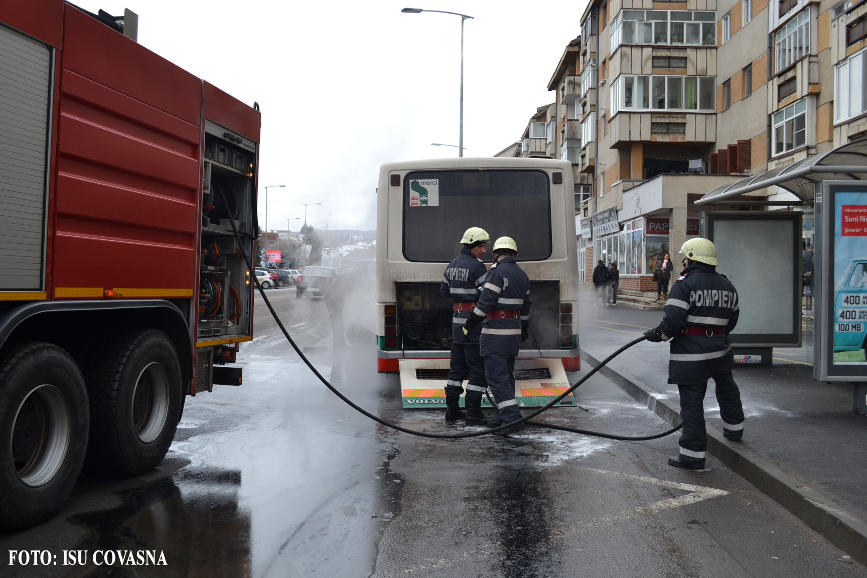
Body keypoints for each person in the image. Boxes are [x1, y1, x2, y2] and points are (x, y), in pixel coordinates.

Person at [643, 237, 745, 470]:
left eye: (684, 258)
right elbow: (732, 320)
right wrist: (715, 335)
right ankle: (734, 430)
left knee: (692, 402)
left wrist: (658, 334)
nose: (683, 262)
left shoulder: (684, 284)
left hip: (691, 356)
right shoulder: (727, 285)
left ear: (690, 258)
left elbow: (673, 321)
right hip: (720, 351)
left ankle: (693, 454)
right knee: (727, 389)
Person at [463, 236, 531, 434]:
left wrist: (469, 324)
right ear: (514, 254)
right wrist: (524, 328)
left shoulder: (496, 273)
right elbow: (526, 307)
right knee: (507, 376)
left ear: (495, 254)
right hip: (513, 333)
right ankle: (504, 417)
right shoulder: (522, 275)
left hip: (496, 334)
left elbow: (485, 304)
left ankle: (511, 420)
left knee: (496, 377)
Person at [440, 227, 490, 424]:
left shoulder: (451, 265)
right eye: (481, 246)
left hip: (456, 324)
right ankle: (473, 413)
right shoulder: (477, 267)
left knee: (456, 370)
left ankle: (452, 410)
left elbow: (444, 292)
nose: (484, 250)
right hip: (473, 324)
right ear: (471, 245)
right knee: (476, 369)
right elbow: (487, 295)